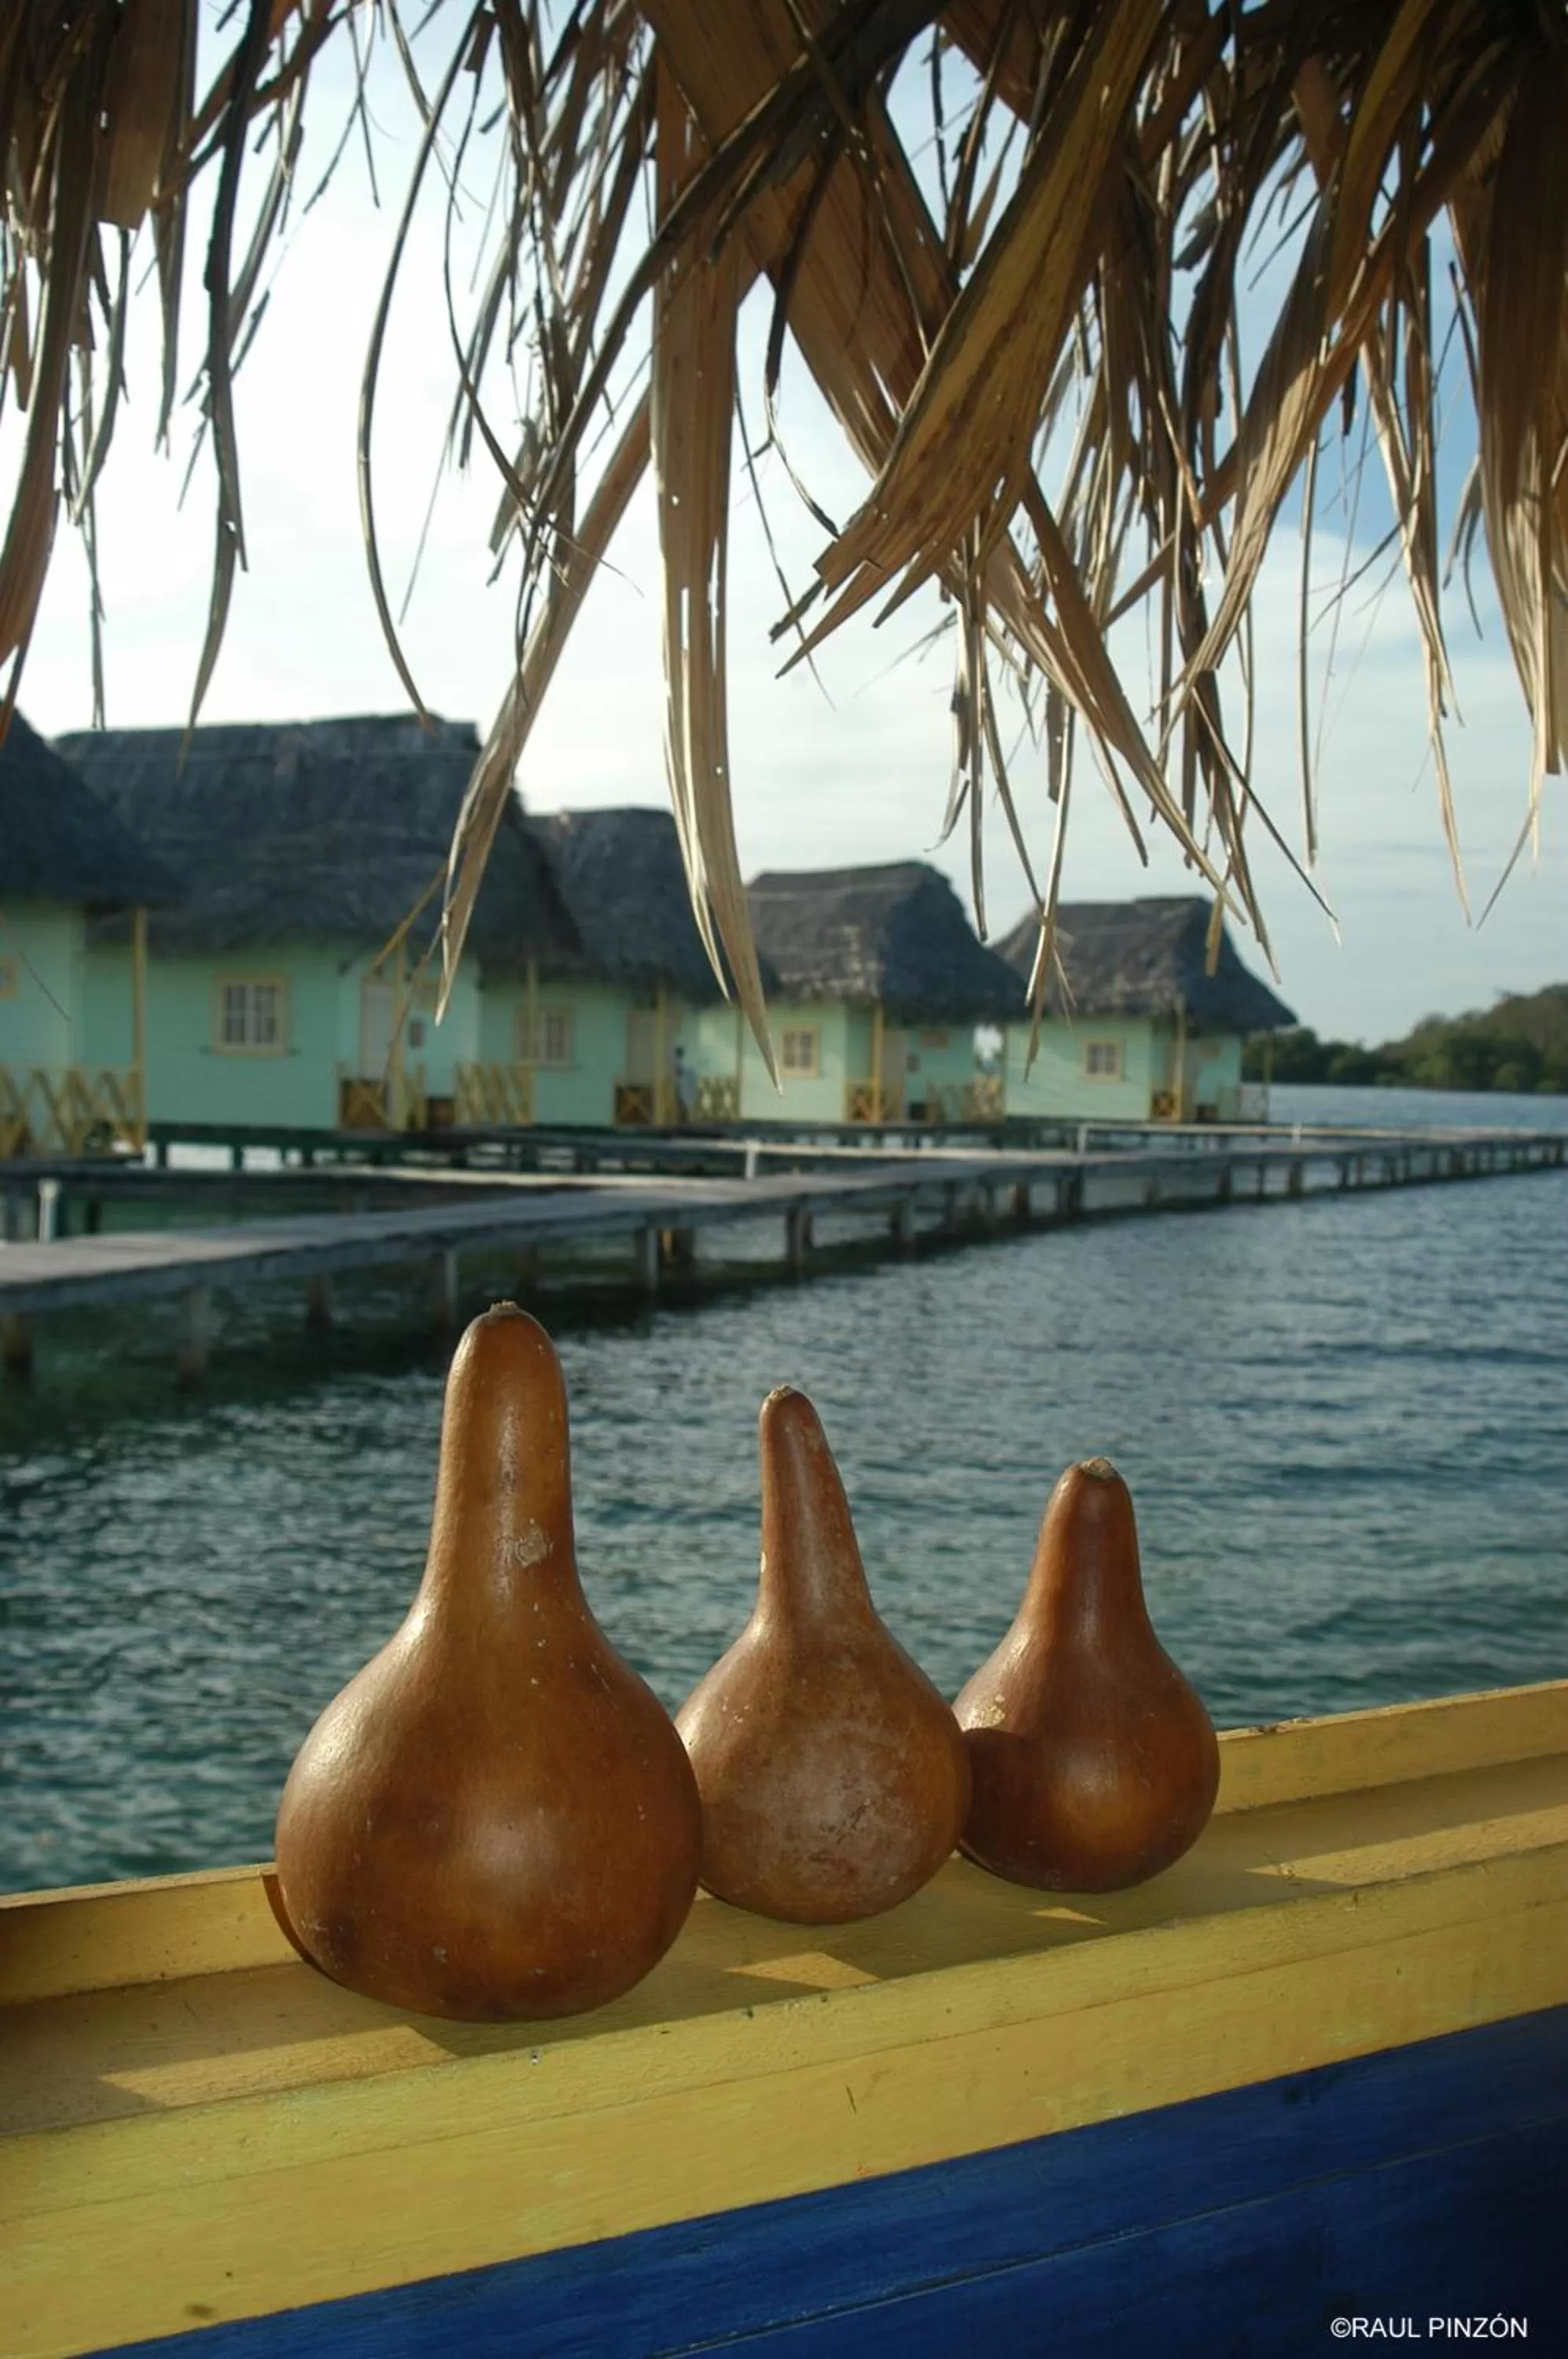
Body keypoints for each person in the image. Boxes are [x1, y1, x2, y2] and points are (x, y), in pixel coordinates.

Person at [672, 1042, 696, 1128]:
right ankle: (682, 1121)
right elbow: (679, 1072)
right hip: (680, 1086)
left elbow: (680, 1072)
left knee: (682, 1103)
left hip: (681, 1086)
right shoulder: (678, 1062)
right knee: (681, 1103)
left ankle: (683, 1120)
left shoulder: (678, 1062)